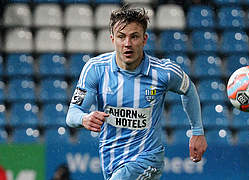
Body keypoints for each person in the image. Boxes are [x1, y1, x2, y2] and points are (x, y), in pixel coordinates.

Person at [66, 5, 207, 180]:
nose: (127, 44)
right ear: (112, 39)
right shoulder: (96, 69)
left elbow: (188, 90)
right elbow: (72, 115)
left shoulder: (164, 72)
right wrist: (84, 118)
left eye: (134, 37)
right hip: (111, 162)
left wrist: (197, 131)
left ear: (144, 39)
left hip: (148, 159)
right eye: (121, 37)